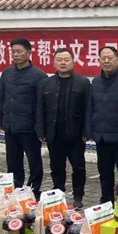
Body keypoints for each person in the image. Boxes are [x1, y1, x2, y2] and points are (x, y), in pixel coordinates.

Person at [35, 48, 91, 207]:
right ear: (54, 63)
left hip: (76, 135)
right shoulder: (46, 83)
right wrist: (40, 130)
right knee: (56, 167)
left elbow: (88, 109)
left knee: (78, 168)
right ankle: (58, 193)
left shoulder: (83, 82)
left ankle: (78, 196)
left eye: (66, 60)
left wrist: (87, 130)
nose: (63, 63)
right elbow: (40, 108)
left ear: (73, 62)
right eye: (59, 60)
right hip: (54, 134)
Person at [0, 38, 48, 199]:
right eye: (13, 52)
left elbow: (41, 105)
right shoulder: (7, 73)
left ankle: (34, 189)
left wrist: (40, 129)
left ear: (29, 53)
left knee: (34, 161)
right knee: (12, 161)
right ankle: (15, 187)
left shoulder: (39, 76)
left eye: (19, 51)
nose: (15, 55)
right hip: (10, 126)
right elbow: (1, 97)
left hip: (29, 128)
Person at [86, 46, 118, 204]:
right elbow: (91, 107)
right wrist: (89, 130)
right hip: (102, 137)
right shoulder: (96, 81)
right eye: (103, 58)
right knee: (104, 172)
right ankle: (106, 201)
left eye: (110, 58)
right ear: (98, 60)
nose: (106, 61)